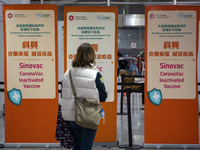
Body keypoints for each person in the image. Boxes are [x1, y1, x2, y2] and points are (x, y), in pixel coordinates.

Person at [61, 43, 107, 150]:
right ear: (92, 55)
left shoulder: (68, 73)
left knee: (77, 145)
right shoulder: (95, 74)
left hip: (71, 115)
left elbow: (64, 94)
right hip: (88, 115)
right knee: (86, 146)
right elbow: (103, 97)